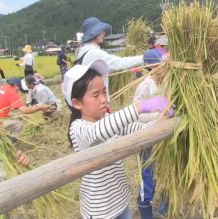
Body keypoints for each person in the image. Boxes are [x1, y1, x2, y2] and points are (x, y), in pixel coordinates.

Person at [62, 59, 172, 219]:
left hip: (121, 202)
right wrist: (141, 106)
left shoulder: (108, 118)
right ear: (76, 103)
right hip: (100, 211)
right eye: (95, 95)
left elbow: (139, 130)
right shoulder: (78, 128)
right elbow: (97, 132)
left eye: (104, 92)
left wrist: (161, 120)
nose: (103, 99)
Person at [134, 47, 169, 219]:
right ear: (153, 67)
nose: (165, 68)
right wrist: (159, 115)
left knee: (166, 172)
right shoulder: (144, 86)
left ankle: (165, 207)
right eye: (163, 65)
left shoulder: (166, 83)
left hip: (164, 138)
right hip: (148, 138)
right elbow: (136, 116)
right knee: (147, 178)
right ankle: (146, 211)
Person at [77, 17, 145, 104]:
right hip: (97, 105)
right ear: (94, 33)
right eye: (100, 31)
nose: (103, 33)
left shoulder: (83, 51)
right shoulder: (94, 53)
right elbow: (119, 63)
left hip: (90, 101)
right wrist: (144, 58)